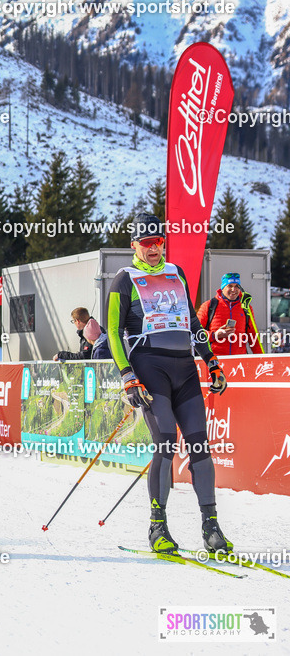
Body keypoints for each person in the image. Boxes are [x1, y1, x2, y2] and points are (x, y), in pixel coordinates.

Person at [106, 213, 230, 554]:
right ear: (134, 245)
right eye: (146, 243)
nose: (154, 248)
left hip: (185, 370)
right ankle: (157, 527)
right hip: (150, 370)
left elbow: (192, 322)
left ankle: (211, 527)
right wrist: (127, 376)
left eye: (158, 242)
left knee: (200, 446)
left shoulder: (176, 273)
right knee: (165, 443)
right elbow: (114, 333)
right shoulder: (124, 279)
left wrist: (212, 361)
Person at [196, 273, 264, 356]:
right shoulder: (208, 306)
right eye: (230, 286)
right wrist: (215, 335)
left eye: (237, 286)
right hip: (214, 360)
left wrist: (262, 358)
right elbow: (196, 333)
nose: (233, 289)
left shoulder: (246, 307)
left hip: (239, 361)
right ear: (223, 288)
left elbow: (253, 337)